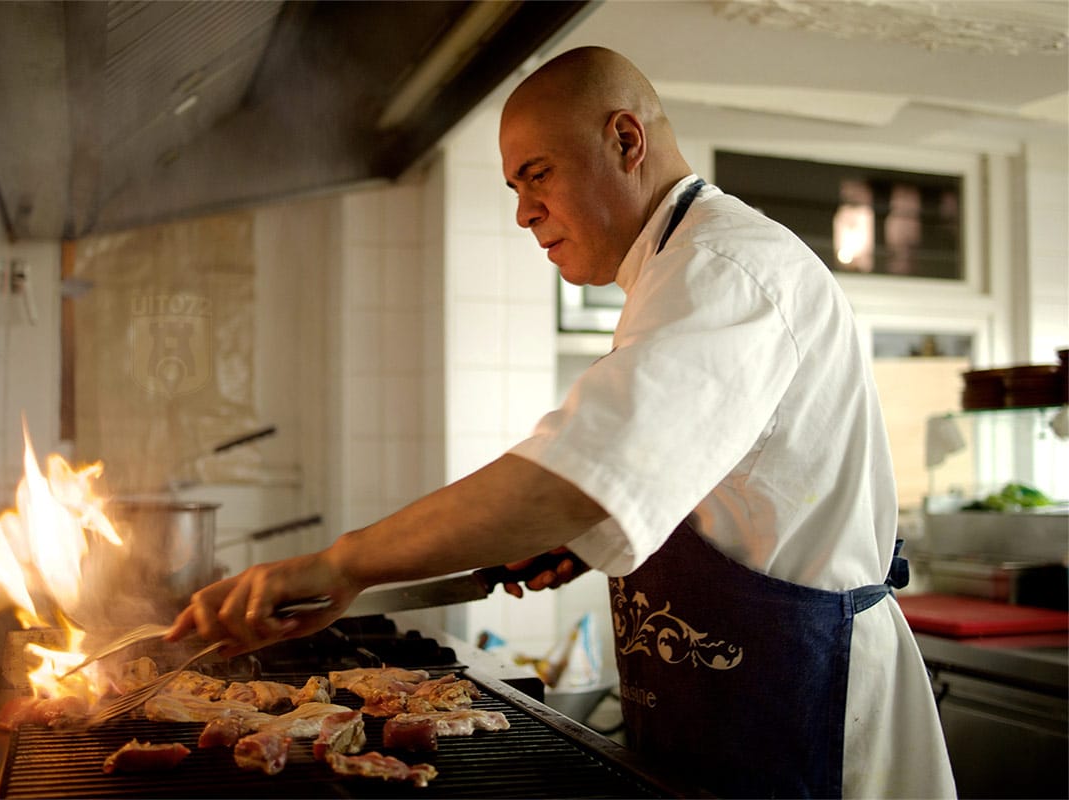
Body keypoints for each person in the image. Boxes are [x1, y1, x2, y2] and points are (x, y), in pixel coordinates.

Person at [168, 46, 956, 798]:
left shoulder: (728, 270)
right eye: (513, 187)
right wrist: (578, 545)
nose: (523, 213)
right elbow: (714, 489)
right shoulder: (674, 273)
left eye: (536, 175)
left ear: (625, 140)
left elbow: (572, 479)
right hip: (731, 720)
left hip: (814, 724)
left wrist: (344, 565)